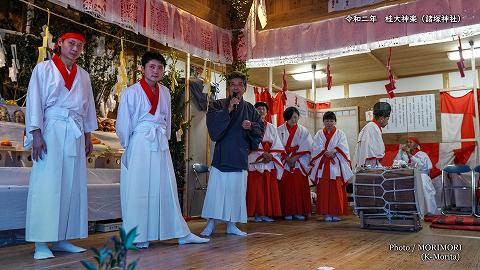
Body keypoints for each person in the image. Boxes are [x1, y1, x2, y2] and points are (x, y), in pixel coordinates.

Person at [116, 52, 208, 248]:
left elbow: (167, 120)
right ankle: (137, 236)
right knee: (138, 188)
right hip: (140, 141)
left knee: (166, 187)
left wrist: (165, 140)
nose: (156, 71)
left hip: (159, 142)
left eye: (159, 67)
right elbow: (124, 123)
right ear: (143, 68)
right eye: (152, 66)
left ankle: (181, 232)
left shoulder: (164, 91)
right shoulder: (131, 92)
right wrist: (129, 146)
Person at [24, 29, 97, 260]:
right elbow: (35, 100)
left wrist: (87, 135)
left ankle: (64, 237)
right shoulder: (43, 69)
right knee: (47, 184)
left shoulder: (83, 75)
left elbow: (88, 108)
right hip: (51, 130)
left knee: (71, 185)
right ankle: (40, 242)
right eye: (71, 43)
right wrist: (35, 133)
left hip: (74, 132)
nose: (75, 48)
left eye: (79, 45)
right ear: (60, 44)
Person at [201, 71, 264, 236]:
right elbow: (213, 130)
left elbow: (260, 129)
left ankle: (232, 225)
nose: (236, 87)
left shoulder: (250, 108)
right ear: (229, 87)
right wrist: (228, 109)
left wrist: (251, 126)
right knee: (216, 192)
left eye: (240, 84)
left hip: (239, 156)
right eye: (233, 84)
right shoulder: (217, 104)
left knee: (236, 192)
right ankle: (210, 225)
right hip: (222, 156)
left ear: (245, 87)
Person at [310, 111, 353, 222]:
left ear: (335, 122)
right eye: (327, 121)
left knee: (336, 190)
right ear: (323, 122)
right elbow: (316, 147)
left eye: (331, 121)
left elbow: (343, 147)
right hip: (323, 164)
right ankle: (326, 213)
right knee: (324, 190)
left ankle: (336, 212)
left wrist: (335, 151)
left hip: (336, 164)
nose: (329, 123)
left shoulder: (340, 134)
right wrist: (324, 152)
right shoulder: (319, 134)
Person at [247, 102, 284, 222]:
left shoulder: (272, 127)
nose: (261, 111)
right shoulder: (250, 126)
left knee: (268, 188)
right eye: (258, 109)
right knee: (256, 189)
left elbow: (277, 143)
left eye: (263, 109)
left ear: (267, 112)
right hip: (255, 158)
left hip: (269, 160)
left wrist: (271, 154)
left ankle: (267, 213)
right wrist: (262, 153)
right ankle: (258, 213)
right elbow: (248, 142)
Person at [277, 107, 313, 221]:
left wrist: (294, 158)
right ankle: (287, 211)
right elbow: (277, 146)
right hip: (284, 160)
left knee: (299, 187)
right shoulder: (279, 130)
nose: (294, 119)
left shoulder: (303, 130)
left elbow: (307, 146)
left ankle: (299, 211)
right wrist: (287, 158)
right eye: (291, 117)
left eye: (296, 117)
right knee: (286, 188)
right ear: (286, 118)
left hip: (299, 161)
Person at [394, 137, 437, 215]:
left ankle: (429, 211)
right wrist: (400, 152)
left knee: (423, 186)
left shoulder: (422, 154)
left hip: (421, 175)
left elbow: (423, 166)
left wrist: (410, 155)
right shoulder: (404, 154)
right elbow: (396, 163)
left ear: (416, 144)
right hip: (409, 176)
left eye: (411, 142)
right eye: (407, 142)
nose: (408, 144)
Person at [353, 101, 391, 167]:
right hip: (369, 166)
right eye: (387, 119)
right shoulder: (372, 128)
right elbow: (372, 154)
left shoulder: (372, 126)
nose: (387, 122)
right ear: (381, 119)